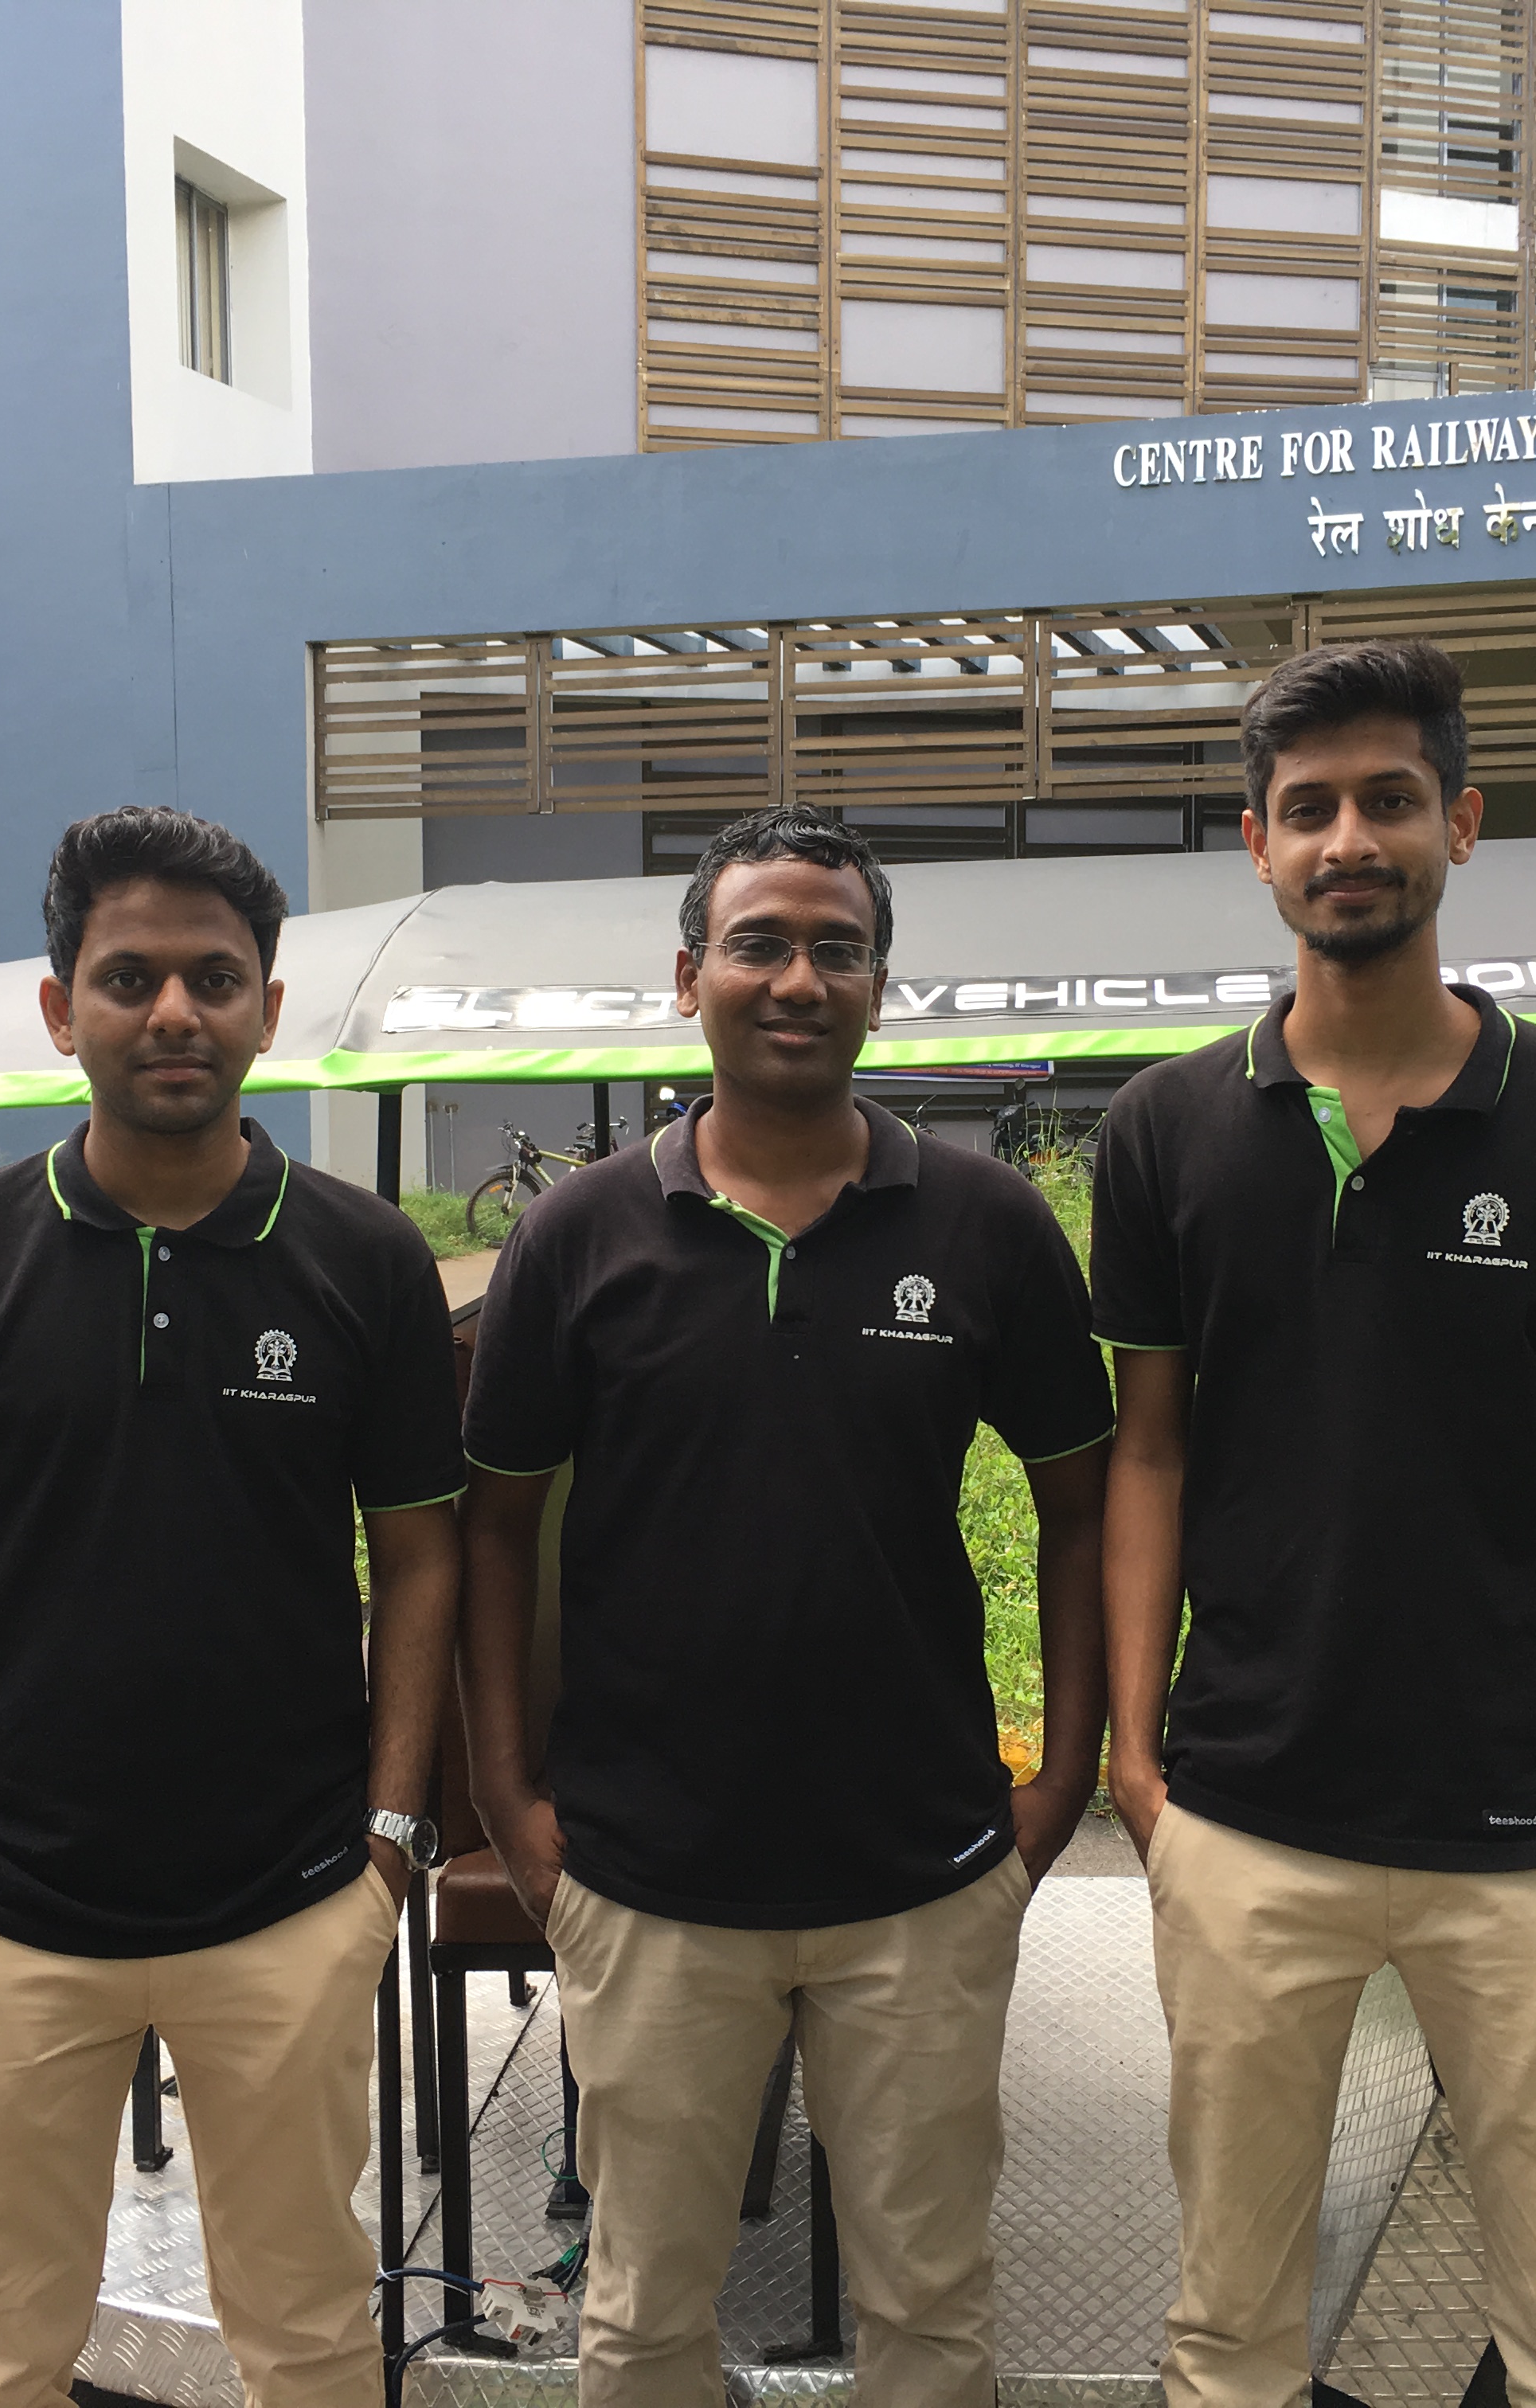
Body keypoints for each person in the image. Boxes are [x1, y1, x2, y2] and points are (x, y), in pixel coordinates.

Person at [1092, 642, 1536, 2408]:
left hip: (1523, 1822)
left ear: (1463, 825)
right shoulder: (1166, 1130)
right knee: (1230, 2333)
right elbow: (1147, 1454)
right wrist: (1143, 1760)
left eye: (1388, 799)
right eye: (1310, 809)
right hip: (1251, 1812)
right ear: (1258, 849)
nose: (1349, 837)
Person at [458, 803, 1116, 2408]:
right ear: (692, 977)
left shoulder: (986, 1228)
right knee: (642, 2329)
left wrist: (1064, 1779)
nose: (798, 975)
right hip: (649, 1877)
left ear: (882, 987)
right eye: (760, 942)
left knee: (931, 2325)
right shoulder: (581, 1234)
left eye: (838, 947)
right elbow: (492, 1535)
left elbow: (1081, 1496)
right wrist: (512, 1805)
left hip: (926, 1877)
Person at [0, 806, 466, 2408]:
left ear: (268, 1003)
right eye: (130, 978)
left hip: (291, 1908)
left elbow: (429, 1559)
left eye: (212, 978)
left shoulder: (364, 1262)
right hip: (13, 1919)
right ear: (63, 1010)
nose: (173, 1010)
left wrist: (384, 1847)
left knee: (312, 2343)